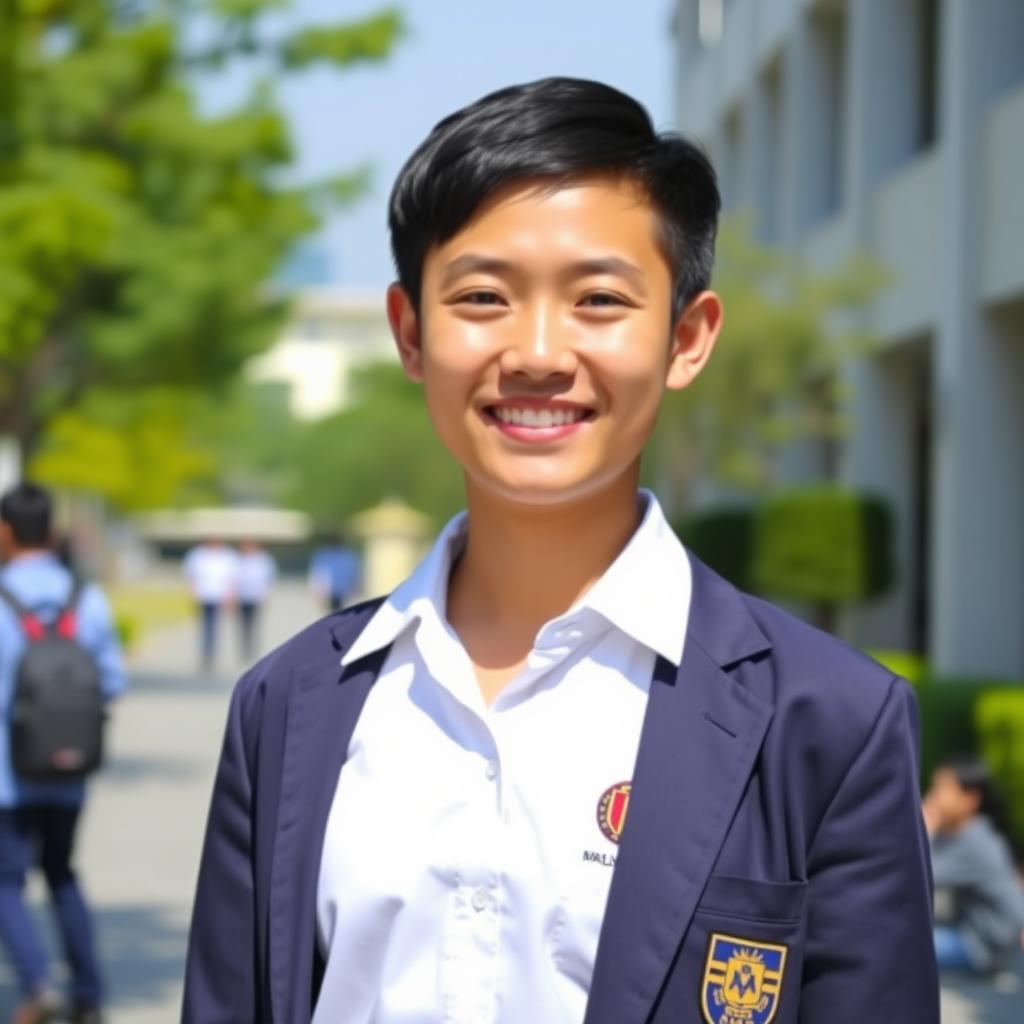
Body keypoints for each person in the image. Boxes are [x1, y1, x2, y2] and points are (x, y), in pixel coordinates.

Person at [184, 78, 938, 1023]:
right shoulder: (287, 706)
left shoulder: (828, 722)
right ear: (411, 332)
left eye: (598, 299)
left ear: (688, 336)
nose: (538, 351)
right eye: (485, 296)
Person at [0, 482, 126, 1024]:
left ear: (4, 533)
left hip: (6, 774)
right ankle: (90, 994)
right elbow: (113, 681)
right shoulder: (86, 598)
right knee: (63, 874)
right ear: (51, 533)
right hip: (70, 768)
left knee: (6, 880)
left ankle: (38, 982)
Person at [923, 755, 1024, 974]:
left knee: (904, 943)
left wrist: (926, 829)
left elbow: (922, 873)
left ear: (970, 800)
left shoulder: (976, 841)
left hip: (979, 948)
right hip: (968, 935)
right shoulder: (959, 833)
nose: (933, 797)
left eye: (943, 789)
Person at [182, 538, 239, 671]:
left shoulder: (227, 555)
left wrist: (231, 595)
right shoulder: (197, 555)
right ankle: (206, 652)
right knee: (205, 624)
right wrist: (192, 591)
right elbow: (192, 575)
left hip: (219, 594)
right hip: (203, 594)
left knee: (214, 624)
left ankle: (212, 652)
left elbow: (232, 578)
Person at [234, 540, 277, 661]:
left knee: (254, 624)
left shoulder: (263, 559)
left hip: (256, 596)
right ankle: (244, 649)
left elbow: (268, 579)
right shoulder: (238, 559)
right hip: (241, 596)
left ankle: (253, 649)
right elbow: (233, 579)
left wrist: (267, 595)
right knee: (243, 624)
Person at [308, 532, 361, 612]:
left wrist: (316, 590)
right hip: (343, 587)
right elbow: (354, 571)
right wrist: (355, 585)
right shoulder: (347, 554)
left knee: (333, 610)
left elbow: (318, 573)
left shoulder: (323, 554)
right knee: (340, 609)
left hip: (330, 588)